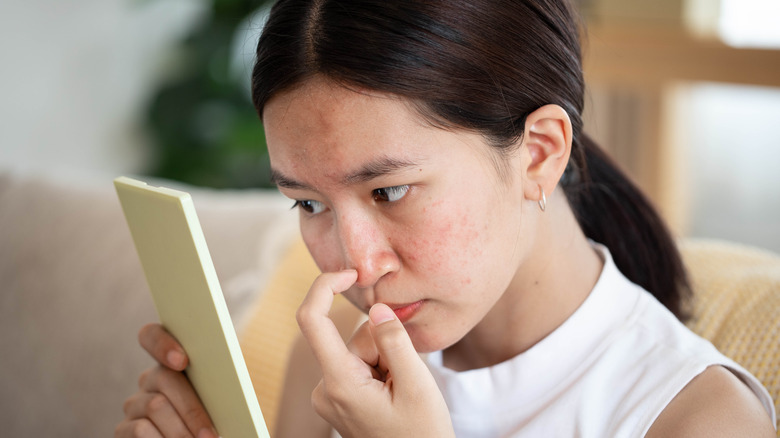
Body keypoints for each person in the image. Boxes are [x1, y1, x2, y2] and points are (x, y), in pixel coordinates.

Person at [115, 0, 777, 437]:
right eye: (309, 203)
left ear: (539, 153)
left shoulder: (698, 419)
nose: (357, 267)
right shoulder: (337, 361)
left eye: (390, 191)